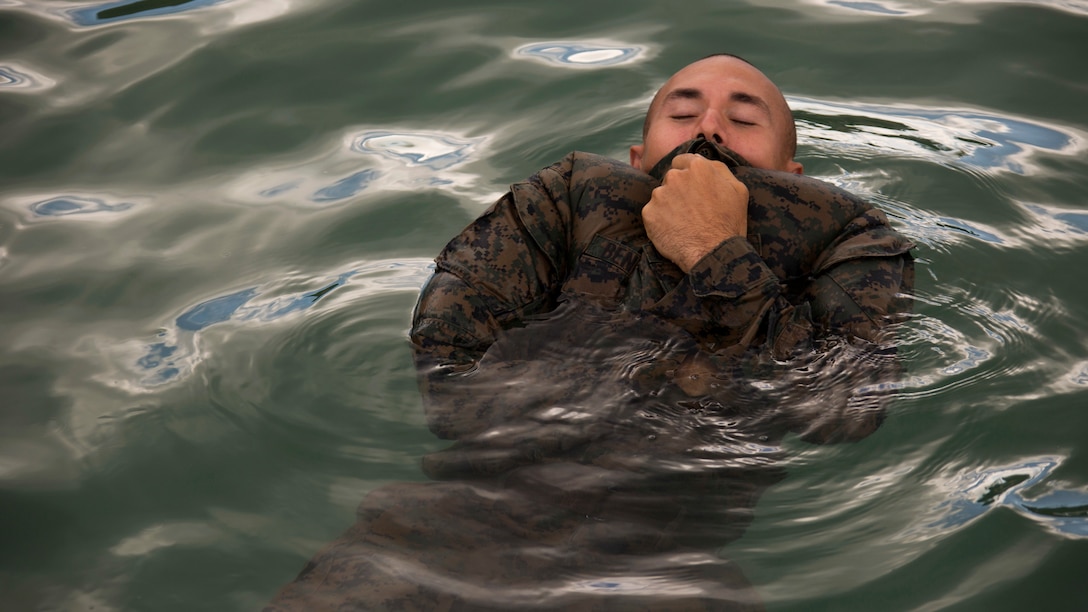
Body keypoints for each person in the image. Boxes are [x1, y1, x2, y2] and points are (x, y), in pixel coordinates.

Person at [266, 54, 914, 611]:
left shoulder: (848, 245)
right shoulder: (560, 202)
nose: (710, 127)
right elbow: (447, 354)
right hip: (454, 526)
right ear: (638, 156)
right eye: (683, 114)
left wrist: (716, 250)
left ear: (791, 172)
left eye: (744, 119)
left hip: (666, 569)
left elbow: (843, 408)